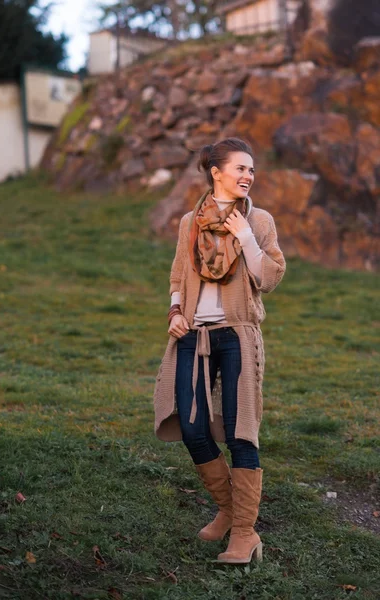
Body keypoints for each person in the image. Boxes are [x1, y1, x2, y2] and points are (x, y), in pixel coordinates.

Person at [153, 137, 286, 564]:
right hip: (192, 334)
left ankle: (245, 533)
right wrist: (175, 311)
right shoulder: (190, 221)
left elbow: (269, 277)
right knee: (192, 427)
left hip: (237, 335)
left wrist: (246, 237)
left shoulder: (259, 221)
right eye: (240, 168)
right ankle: (229, 509)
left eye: (252, 170)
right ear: (216, 171)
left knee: (239, 429)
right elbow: (177, 275)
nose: (248, 176)